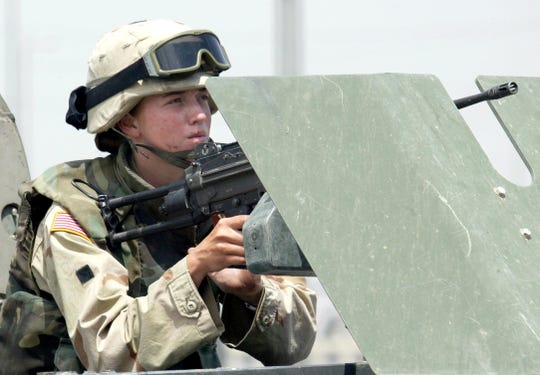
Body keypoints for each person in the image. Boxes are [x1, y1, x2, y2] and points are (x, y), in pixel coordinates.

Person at [0, 19, 317, 374]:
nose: (199, 115)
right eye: (175, 101)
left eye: (202, 97)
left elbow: (297, 344)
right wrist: (196, 267)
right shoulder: (75, 211)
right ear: (127, 122)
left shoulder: (230, 191)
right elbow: (111, 352)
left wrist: (252, 292)